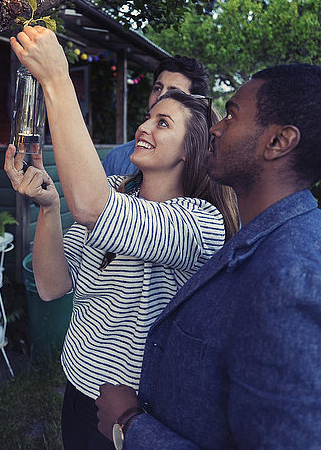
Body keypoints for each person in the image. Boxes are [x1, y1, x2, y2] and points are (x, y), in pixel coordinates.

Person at [4, 26, 239, 450]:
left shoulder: (202, 222)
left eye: (163, 122)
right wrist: (50, 207)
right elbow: (52, 285)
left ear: (191, 148)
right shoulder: (115, 188)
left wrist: (58, 79)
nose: (145, 126)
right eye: (149, 116)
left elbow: (94, 208)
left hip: (137, 410)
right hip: (78, 390)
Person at [96, 62, 321, 450]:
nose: (215, 128)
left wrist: (130, 425)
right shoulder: (258, 240)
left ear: (278, 142)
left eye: (231, 115)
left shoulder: (291, 277)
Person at [102, 55, 209, 176]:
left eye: (173, 91)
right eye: (158, 88)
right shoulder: (117, 158)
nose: (161, 96)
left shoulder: (206, 166)